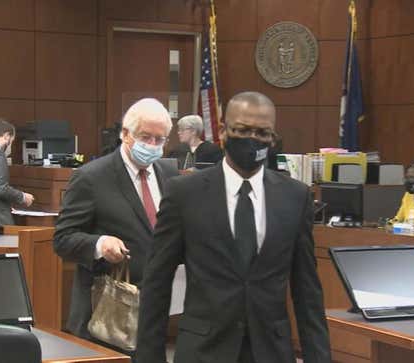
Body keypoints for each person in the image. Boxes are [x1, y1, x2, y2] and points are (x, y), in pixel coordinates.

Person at [136, 92, 331, 363]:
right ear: (224, 133)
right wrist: (148, 356)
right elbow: (157, 281)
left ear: (273, 139)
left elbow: (307, 289)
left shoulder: (296, 197)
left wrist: (318, 357)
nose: (252, 139)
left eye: (262, 133)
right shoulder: (184, 193)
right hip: (203, 350)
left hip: (271, 351)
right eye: (242, 129)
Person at [53, 98, 179, 346]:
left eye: (159, 139)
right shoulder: (91, 177)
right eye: (145, 137)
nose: (152, 145)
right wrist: (99, 244)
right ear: (125, 133)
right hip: (105, 314)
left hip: (155, 313)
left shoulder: (169, 175)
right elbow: (63, 239)